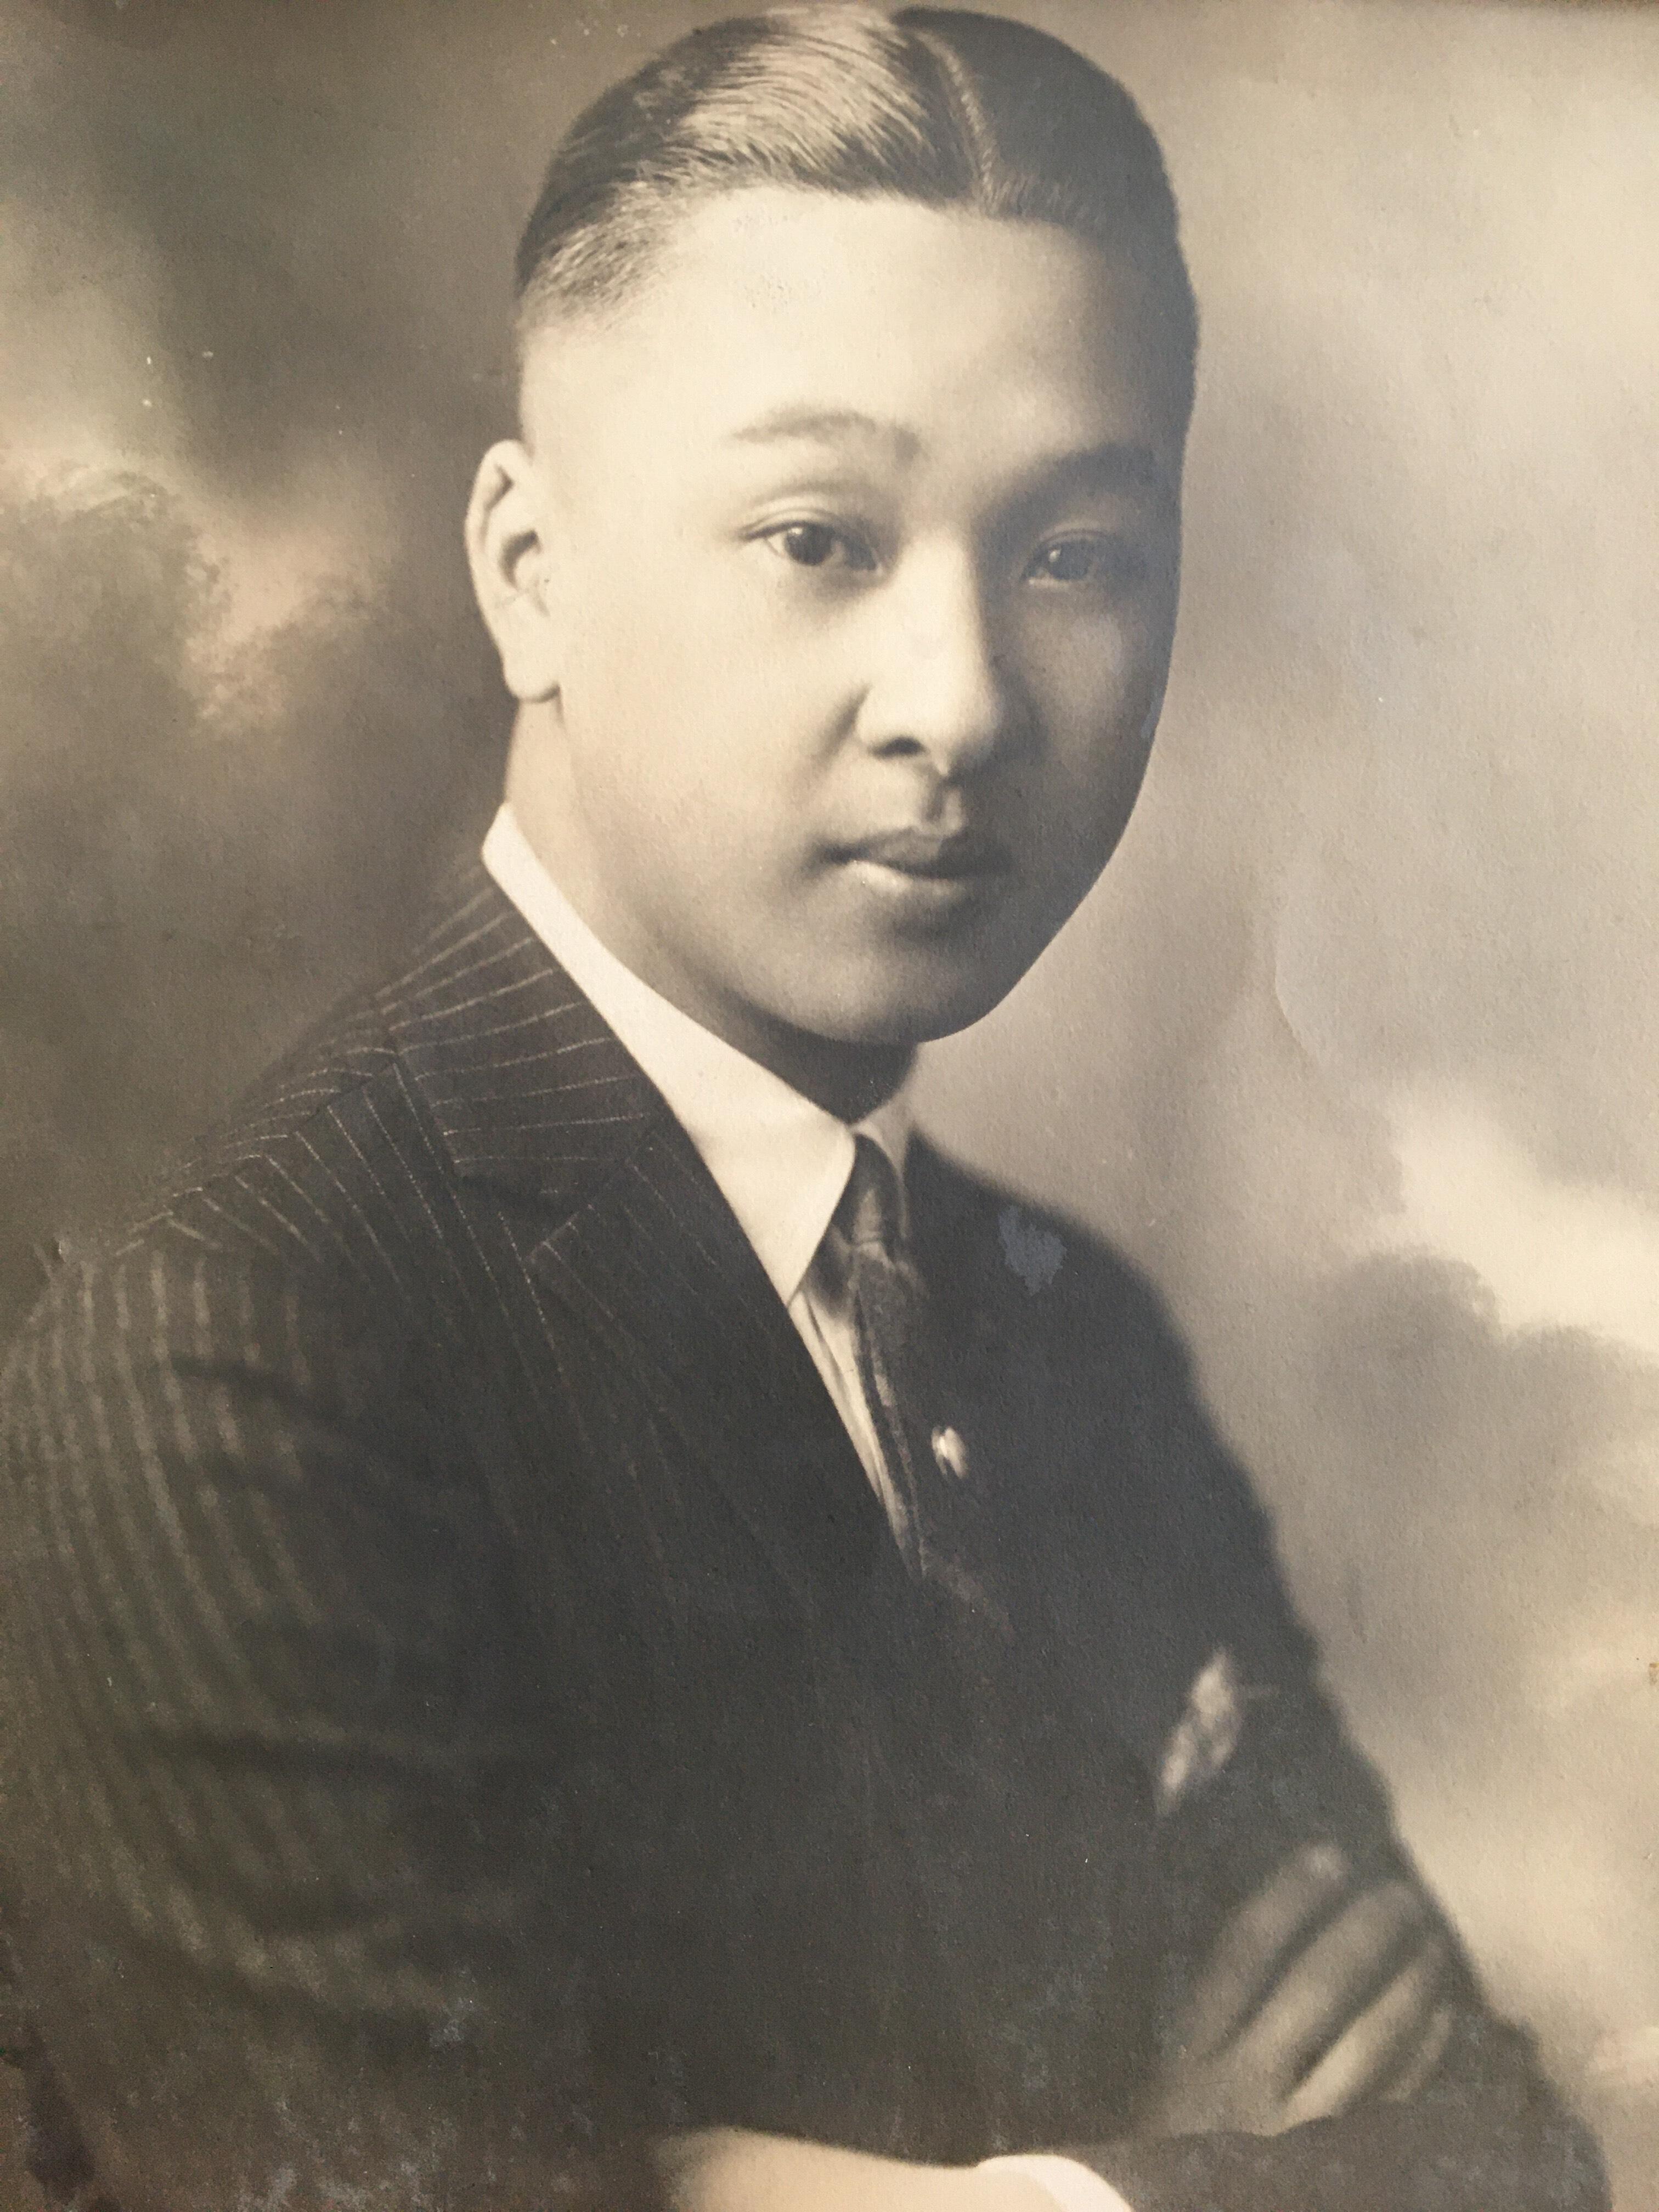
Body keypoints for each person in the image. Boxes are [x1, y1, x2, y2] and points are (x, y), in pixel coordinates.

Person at [0, 9, 1606, 2211]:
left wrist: (770, 2179)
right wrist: (1154, 2173)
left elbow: (1502, 2160)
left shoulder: (1075, 1353)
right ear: (524, 572)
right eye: (817, 538)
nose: (958, 705)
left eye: (1076, 556)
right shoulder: (240, 1361)